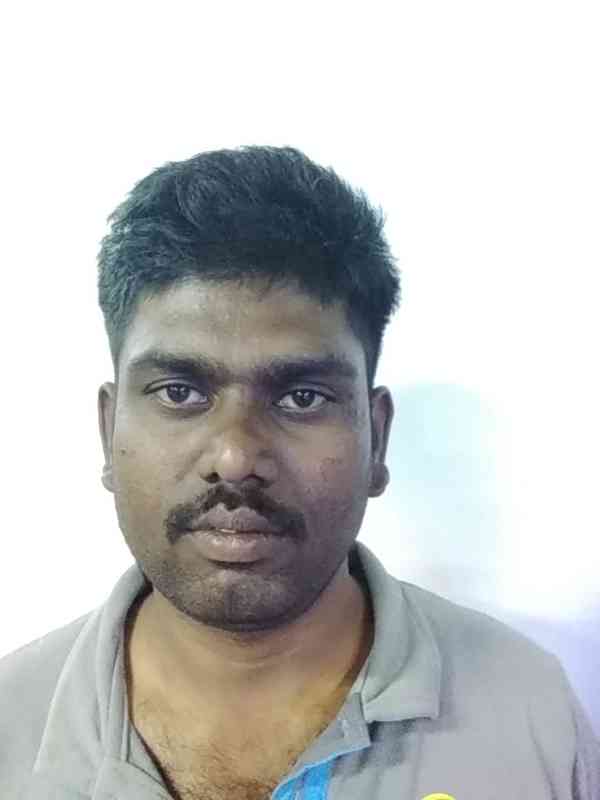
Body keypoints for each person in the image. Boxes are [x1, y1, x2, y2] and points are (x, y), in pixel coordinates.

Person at [0, 146, 597, 800]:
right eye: (179, 392)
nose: (235, 458)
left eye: (302, 397)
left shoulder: (530, 720)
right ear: (108, 430)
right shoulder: (9, 729)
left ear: (377, 439)